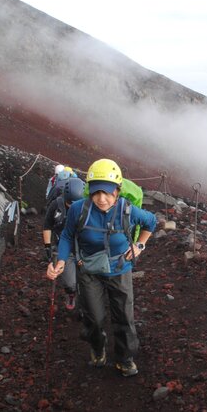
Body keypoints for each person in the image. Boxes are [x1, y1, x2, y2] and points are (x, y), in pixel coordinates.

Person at [46, 159, 157, 377]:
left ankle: (125, 358)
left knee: (124, 317)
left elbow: (151, 222)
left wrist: (139, 245)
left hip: (119, 269)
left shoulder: (127, 209)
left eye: (107, 193)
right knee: (93, 318)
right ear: (89, 191)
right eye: (96, 193)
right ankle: (98, 348)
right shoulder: (79, 208)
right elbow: (68, 235)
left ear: (117, 191)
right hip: (89, 271)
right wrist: (60, 260)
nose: (102, 199)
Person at [43, 177, 86, 310]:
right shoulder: (57, 205)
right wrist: (48, 249)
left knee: (87, 281)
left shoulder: (88, 207)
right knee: (70, 282)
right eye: (69, 204)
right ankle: (71, 293)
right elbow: (47, 225)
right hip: (64, 248)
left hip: (84, 248)